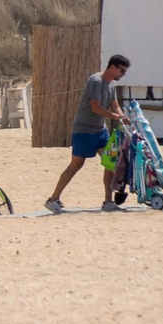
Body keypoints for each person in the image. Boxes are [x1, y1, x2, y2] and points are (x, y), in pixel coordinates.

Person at [45, 54, 130, 214]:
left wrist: (123, 117)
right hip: (84, 130)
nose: (123, 74)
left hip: (100, 130)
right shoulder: (96, 81)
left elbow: (115, 105)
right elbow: (95, 107)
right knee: (76, 165)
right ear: (112, 67)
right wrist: (116, 117)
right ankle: (53, 199)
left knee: (110, 161)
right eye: (121, 71)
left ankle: (108, 201)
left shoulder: (111, 85)